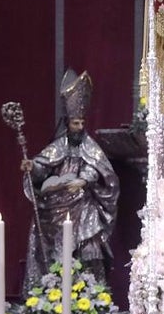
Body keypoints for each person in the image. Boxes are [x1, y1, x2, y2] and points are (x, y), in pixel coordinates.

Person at [23, 70, 120, 283]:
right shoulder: (58, 146)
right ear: (67, 123)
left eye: (83, 123)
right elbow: (43, 164)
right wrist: (32, 166)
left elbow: (98, 168)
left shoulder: (90, 147)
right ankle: (55, 289)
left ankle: (92, 291)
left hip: (84, 205)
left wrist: (83, 180)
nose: (80, 127)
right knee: (58, 251)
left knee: (90, 246)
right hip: (57, 205)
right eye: (76, 123)